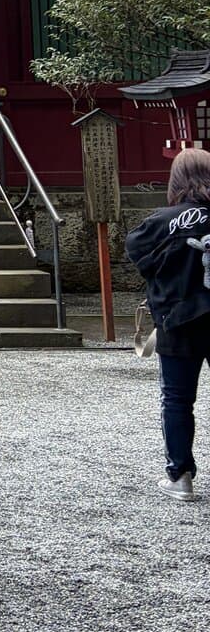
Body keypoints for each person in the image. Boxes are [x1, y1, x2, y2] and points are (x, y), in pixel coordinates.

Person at [126, 146, 210, 500]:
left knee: (177, 400)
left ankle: (180, 476)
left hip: (179, 320)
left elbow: (137, 253)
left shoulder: (160, 222)